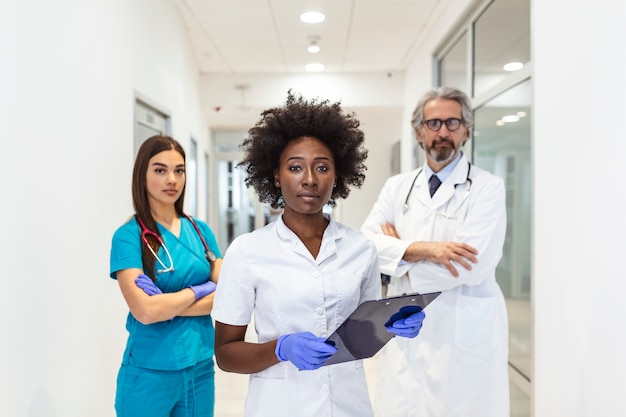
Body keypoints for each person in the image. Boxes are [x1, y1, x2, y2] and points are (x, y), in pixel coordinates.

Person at [211, 92, 426, 417]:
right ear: (276, 175)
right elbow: (226, 354)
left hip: (347, 404)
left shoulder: (361, 248)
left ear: (337, 175)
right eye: (295, 167)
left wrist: (392, 324)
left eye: (322, 167)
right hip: (278, 406)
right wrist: (280, 349)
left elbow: (361, 338)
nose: (309, 180)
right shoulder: (247, 251)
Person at [361, 86, 509, 417]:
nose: (443, 131)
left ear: (466, 130)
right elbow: (365, 245)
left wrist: (397, 256)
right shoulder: (397, 187)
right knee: (403, 404)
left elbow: (470, 266)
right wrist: (424, 249)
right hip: (405, 327)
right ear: (418, 131)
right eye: (433, 123)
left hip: (461, 328)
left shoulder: (487, 188)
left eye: (453, 123)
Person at [109, 135, 222, 417]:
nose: (172, 179)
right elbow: (145, 311)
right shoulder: (128, 237)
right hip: (149, 372)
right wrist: (199, 290)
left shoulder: (200, 231)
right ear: (142, 175)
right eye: (160, 170)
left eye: (179, 170)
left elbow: (228, 295)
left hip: (200, 368)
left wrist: (168, 305)